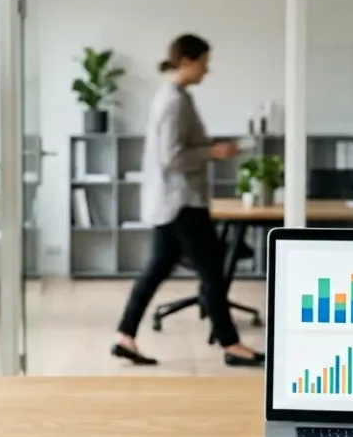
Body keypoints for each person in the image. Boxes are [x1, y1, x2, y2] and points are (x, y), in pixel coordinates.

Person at [111, 33, 265, 368]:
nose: (207, 71)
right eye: (204, 64)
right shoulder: (174, 101)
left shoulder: (175, 96)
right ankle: (231, 344)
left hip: (172, 200)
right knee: (212, 270)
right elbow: (171, 157)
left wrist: (209, 148)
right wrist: (214, 152)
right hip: (181, 201)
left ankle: (125, 336)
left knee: (157, 268)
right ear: (186, 62)